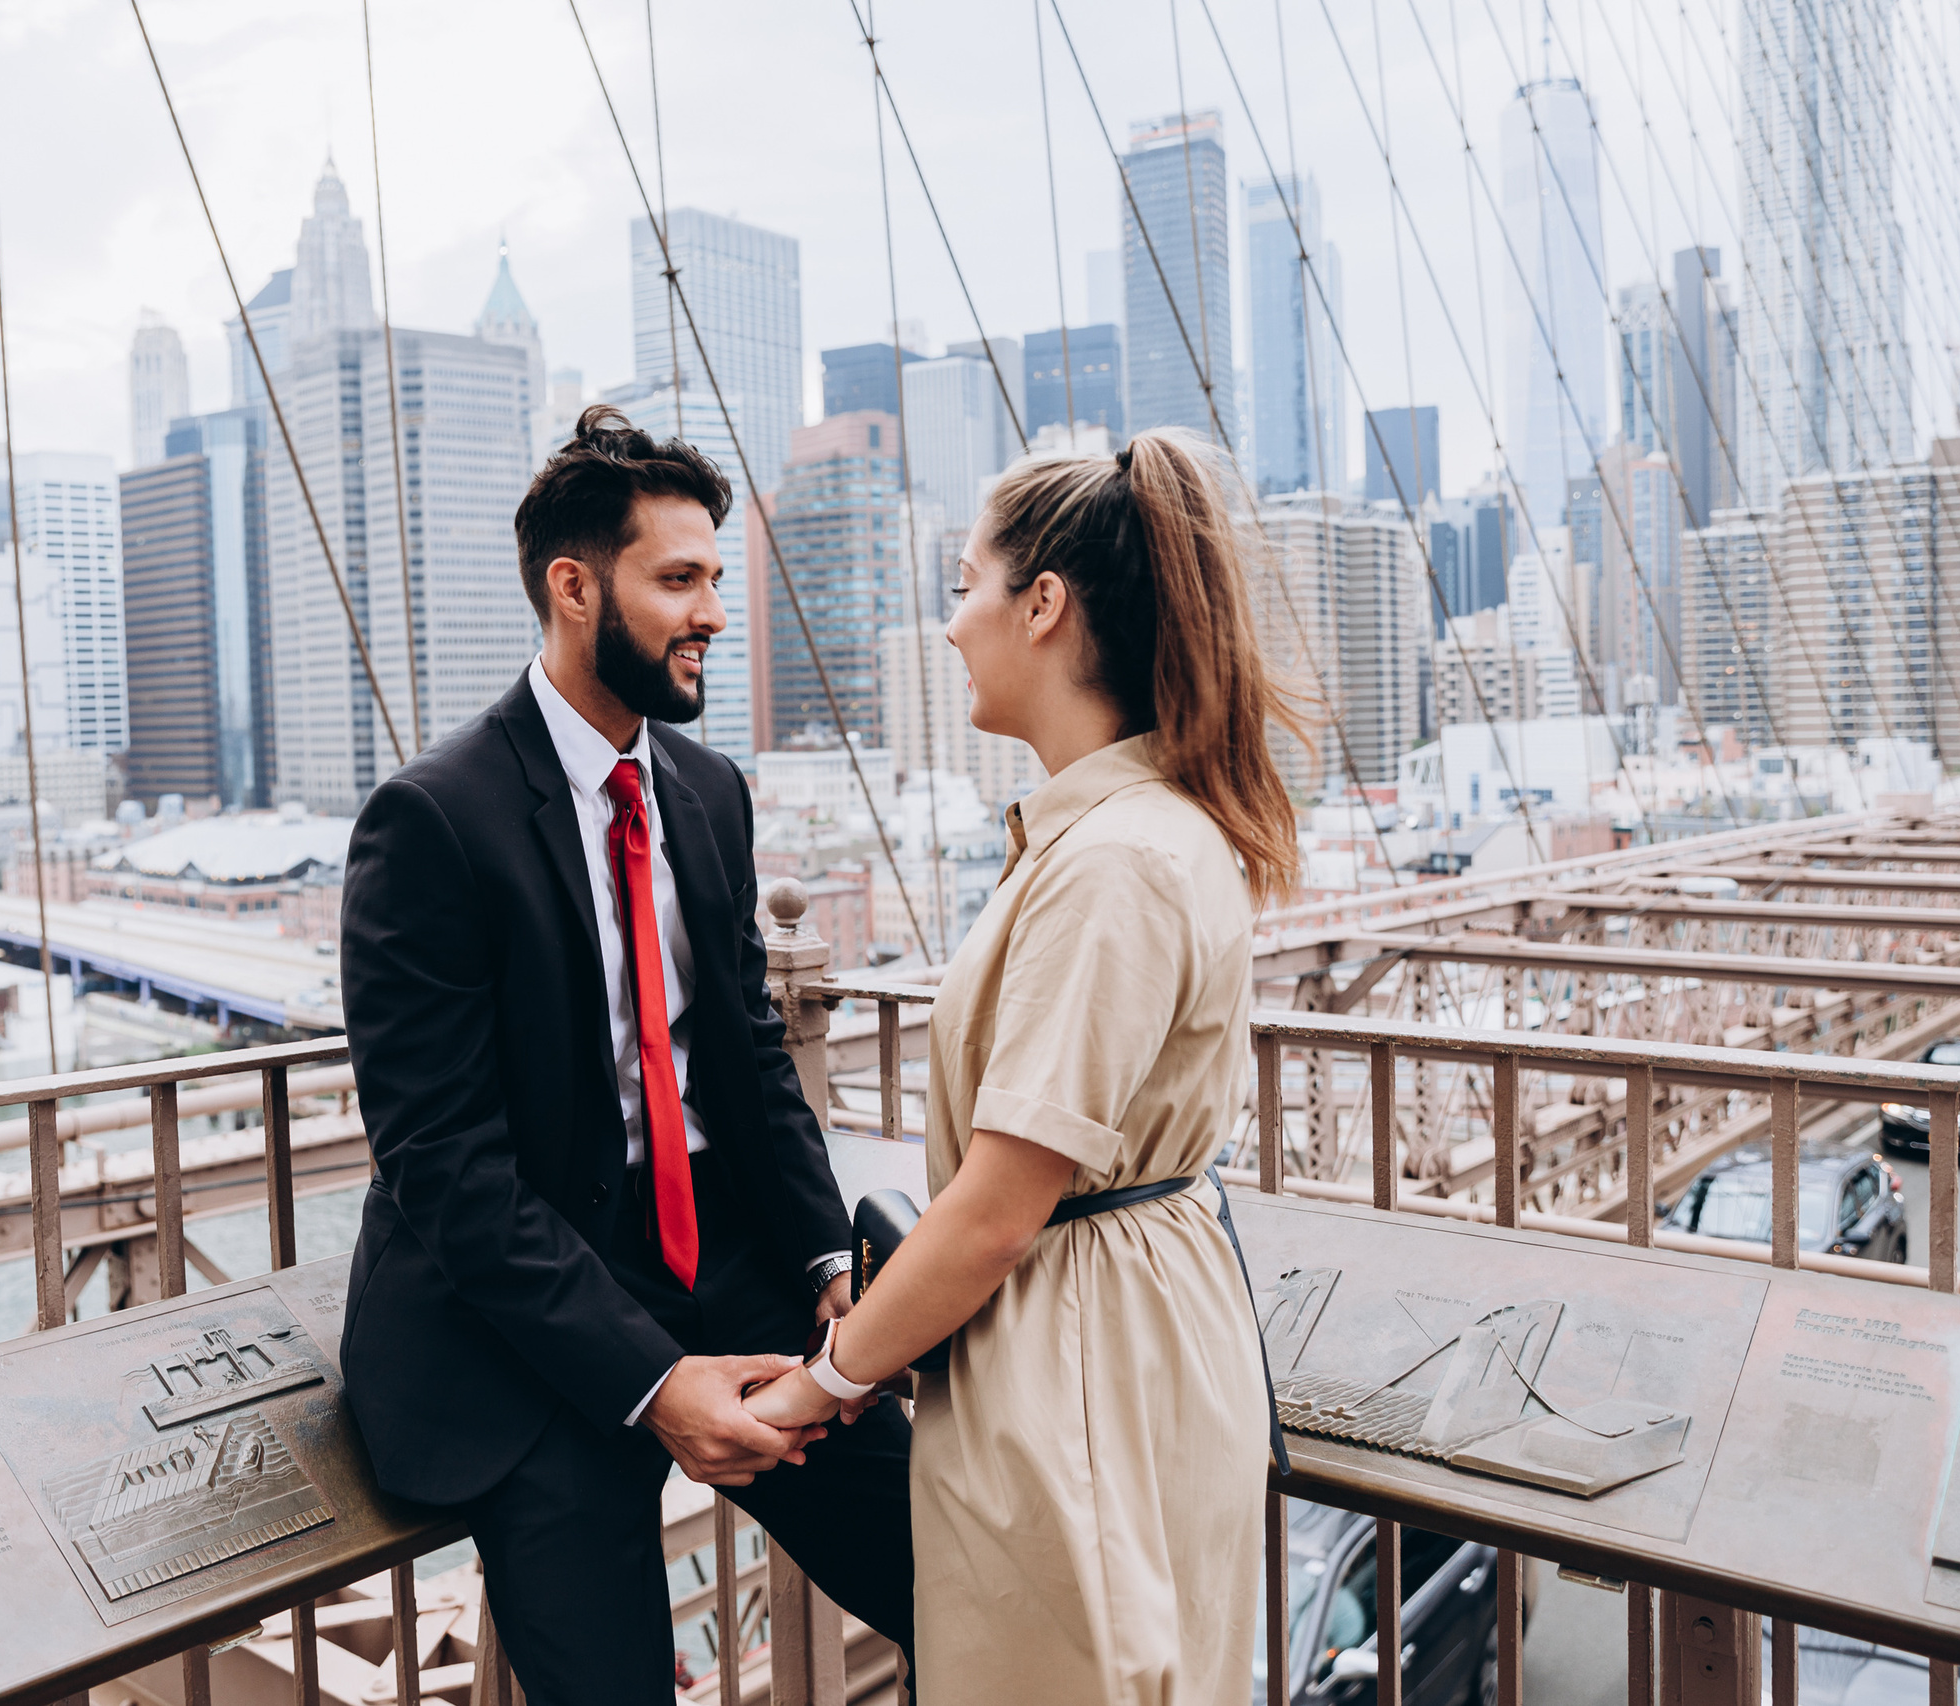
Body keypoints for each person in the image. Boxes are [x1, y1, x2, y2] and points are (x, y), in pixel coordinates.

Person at [339, 407, 913, 1704]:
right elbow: (443, 1166)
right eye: (679, 579)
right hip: (521, 1312)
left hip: (727, 1256)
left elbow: (752, 1060)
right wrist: (653, 1382)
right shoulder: (433, 819)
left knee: (958, 1562)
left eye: (717, 577)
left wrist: (829, 1262)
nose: (713, 610)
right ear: (574, 585)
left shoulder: (708, 790)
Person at [745, 428, 1303, 1704]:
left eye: (964, 585)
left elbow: (999, 1210)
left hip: (1077, 1367)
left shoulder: (1109, 862)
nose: (950, 626)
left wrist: (818, 1388)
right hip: (1133, 1334)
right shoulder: (1142, 831)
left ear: (1042, 604)